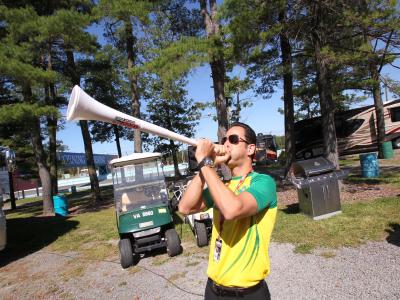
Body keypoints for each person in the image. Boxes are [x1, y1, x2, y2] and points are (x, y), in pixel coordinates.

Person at [179, 122, 277, 300]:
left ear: (250, 149)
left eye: (233, 139)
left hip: (247, 293)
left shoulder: (263, 182)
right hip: (213, 289)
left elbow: (233, 209)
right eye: (224, 140)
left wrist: (205, 164)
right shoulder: (222, 186)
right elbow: (185, 207)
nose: (225, 144)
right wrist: (206, 166)